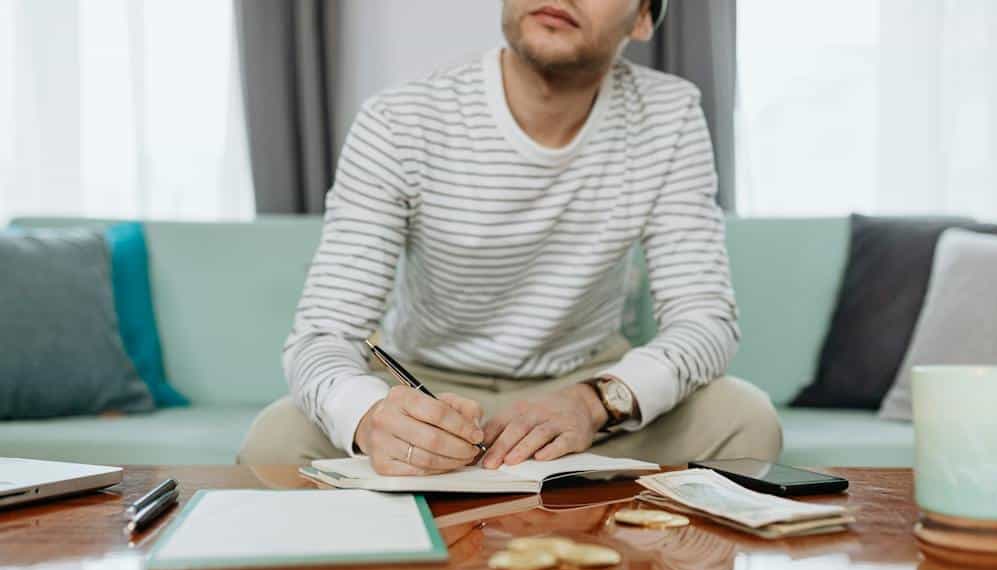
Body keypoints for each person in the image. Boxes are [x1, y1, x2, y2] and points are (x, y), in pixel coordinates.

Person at [238, 0, 782, 475]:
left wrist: (595, 403)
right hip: (428, 388)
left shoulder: (669, 114)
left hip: (585, 387)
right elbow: (322, 335)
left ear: (642, 18)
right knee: (275, 440)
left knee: (744, 421)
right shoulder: (400, 119)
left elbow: (704, 320)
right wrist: (374, 418)